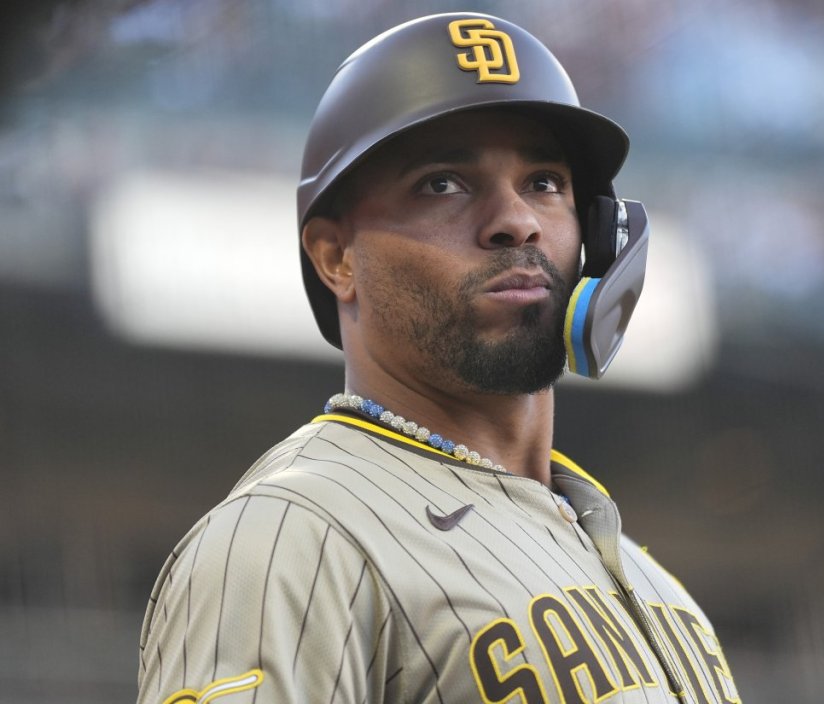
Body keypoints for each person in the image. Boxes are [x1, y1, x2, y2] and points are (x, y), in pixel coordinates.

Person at [137, 13, 741, 704]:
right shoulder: (291, 536)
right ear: (336, 257)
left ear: (601, 237)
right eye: (442, 184)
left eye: (545, 181)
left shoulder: (659, 589)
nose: (517, 219)